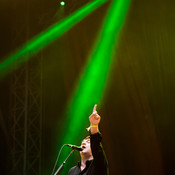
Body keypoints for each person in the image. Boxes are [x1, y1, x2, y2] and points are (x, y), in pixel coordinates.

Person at [68, 104, 109, 175]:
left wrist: (94, 125)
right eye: (83, 142)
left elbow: (96, 145)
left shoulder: (98, 164)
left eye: (88, 142)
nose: (83, 143)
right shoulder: (72, 171)